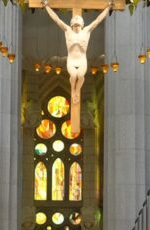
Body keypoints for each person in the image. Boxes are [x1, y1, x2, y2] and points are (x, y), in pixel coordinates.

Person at [43, 0, 111, 134]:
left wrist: (108, 8)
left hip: (82, 60)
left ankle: (76, 91)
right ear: (72, 25)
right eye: (74, 24)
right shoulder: (67, 31)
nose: (76, 26)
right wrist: (46, 6)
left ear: (81, 24)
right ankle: (74, 92)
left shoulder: (86, 31)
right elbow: (57, 20)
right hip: (71, 60)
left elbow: (97, 20)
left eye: (78, 24)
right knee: (73, 76)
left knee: (80, 76)